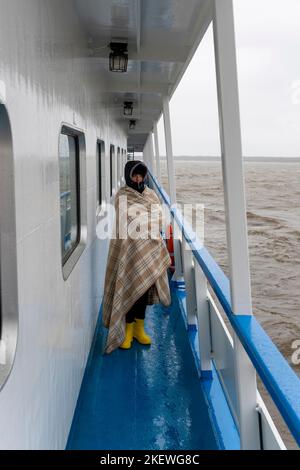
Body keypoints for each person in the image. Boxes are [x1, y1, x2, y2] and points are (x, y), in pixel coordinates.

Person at [102, 160, 172, 354]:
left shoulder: (151, 195)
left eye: (141, 175)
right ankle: (127, 331)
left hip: (149, 251)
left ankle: (139, 330)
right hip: (128, 251)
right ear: (128, 176)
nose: (138, 178)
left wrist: (146, 222)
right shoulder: (122, 196)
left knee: (142, 293)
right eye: (134, 175)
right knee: (129, 289)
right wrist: (145, 222)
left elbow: (160, 219)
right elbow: (129, 220)